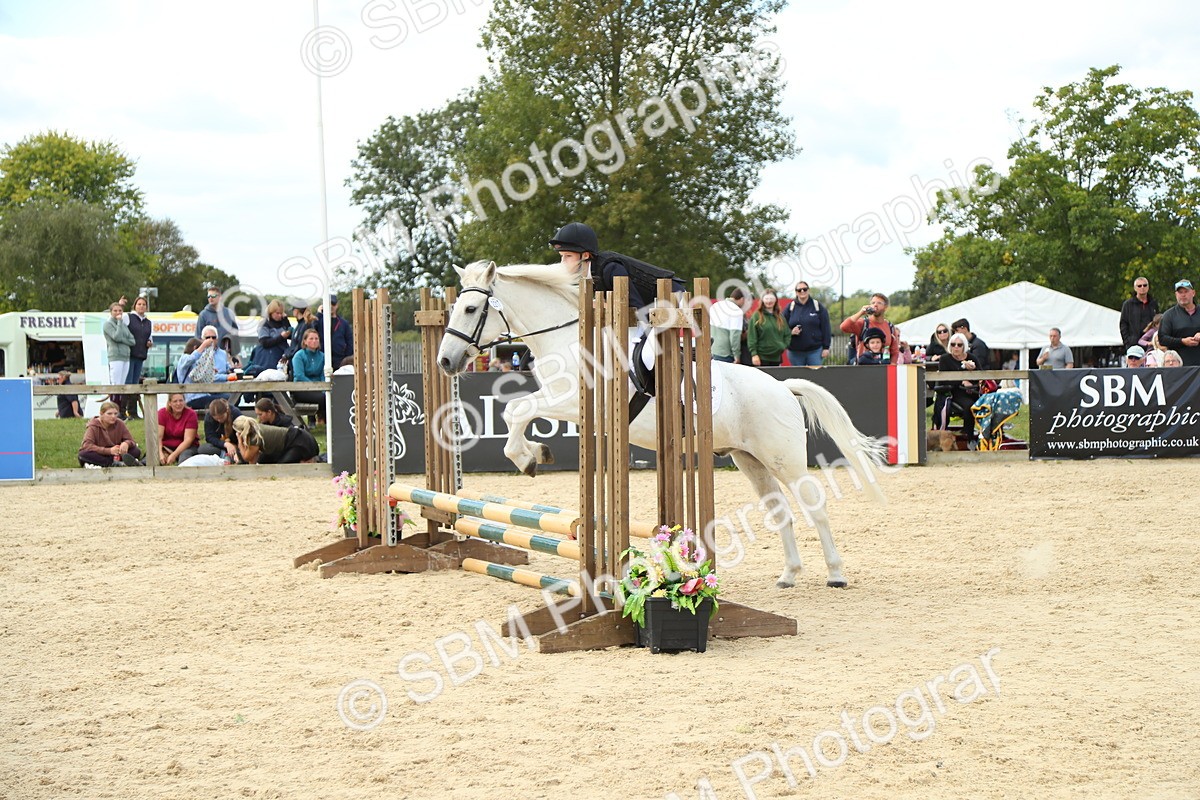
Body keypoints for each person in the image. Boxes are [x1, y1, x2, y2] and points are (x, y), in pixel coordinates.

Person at [932, 332, 979, 444]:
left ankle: (986, 434)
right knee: (969, 405)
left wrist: (973, 371)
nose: (956, 347)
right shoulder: (945, 359)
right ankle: (969, 436)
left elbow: (981, 376)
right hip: (954, 391)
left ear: (964, 346)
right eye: (953, 344)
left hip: (974, 390)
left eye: (959, 345)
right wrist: (962, 381)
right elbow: (945, 379)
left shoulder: (972, 358)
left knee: (985, 403)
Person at [179, 325, 231, 409]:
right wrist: (203, 346)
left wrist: (211, 371)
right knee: (225, 400)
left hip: (205, 394)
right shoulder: (184, 358)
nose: (211, 340)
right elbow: (190, 360)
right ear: (196, 347)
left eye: (213, 337)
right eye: (207, 338)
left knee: (228, 398)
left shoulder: (222, 353)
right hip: (193, 397)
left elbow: (199, 372)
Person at [78, 401, 143, 467]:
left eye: (115, 414)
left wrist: (126, 443)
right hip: (101, 453)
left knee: (135, 451)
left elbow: (131, 441)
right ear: (101, 414)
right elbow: (86, 445)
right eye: (109, 414)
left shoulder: (120, 423)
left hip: (117, 452)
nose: (113, 416)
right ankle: (113, 463)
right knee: (83, 454)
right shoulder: (93, 426)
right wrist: (109, 451)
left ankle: (118, 462)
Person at [232, 416, 320, 464]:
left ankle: (310, 460)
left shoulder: (254, 437)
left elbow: (247, 457)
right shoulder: (257, 429)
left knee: (282, 468)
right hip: (299, 438)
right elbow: (253, 461)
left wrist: (239, 441)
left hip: (301, 442)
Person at [840, 293, 899, 364]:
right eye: (873, 303)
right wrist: (861, 313)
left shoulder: (890, 327)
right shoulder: (863, 323)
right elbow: (843, 327)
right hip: (863, 368)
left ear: (885, 307)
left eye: (879, 303)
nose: (875, 305)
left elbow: (895, 352)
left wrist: (892, 367)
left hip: (883, 369)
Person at [783, 282, 831, 366]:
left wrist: (826, 347)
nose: (802, 291)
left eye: (804, 289)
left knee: (815, 376)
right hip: (795, 352)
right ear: (796, 292)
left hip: (815, 351)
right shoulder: (790, 307)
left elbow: (826, 328)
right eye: (799, 290)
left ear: (808, 290)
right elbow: (781, 326)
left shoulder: (818, 306)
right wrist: (790, 332)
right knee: (798, 377)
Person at [103, 302, 135, 418]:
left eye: (120, 311)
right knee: (115, 384)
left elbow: (132, 340)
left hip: (126, 356)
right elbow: (116, 336)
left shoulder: (124, 325)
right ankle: (113, 411)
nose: (118, 313)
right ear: (111, 312)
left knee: (122, 385)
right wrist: (120, 323)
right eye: (115, 311)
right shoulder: (108, 324)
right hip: (115, 356)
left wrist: (122, 339)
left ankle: (120, 411)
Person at [1157, 279, 1200, 367]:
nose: (1183, 295)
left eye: (1186, 291)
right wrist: (1182, 341)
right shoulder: (1169, 315)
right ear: (1176, 295)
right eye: (1180, 292)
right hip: (1179, 367)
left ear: (1193, 293)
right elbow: (1162, 339)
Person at [125, 295, 153, 419]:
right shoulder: (128, 317)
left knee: (135, 384)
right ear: (135, 306)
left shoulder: (148, 322)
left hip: (141, 355)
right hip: (129, 355)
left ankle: (133, 412)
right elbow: (120, 329)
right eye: (139, 304)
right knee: (128, 382)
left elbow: (150, 336)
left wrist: (149, 342)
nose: (141, 306)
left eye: (143, 304)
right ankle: (122, 411)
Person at [247, 299, 292, 376]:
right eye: (277, 313)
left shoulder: (283, 322)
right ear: (271, 312)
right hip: (268, 359)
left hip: (282, 357)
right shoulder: (264, 324)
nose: (279, 316)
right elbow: (265, 342)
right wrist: (281, 337)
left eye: (281, 313)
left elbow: (291, 335)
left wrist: (286, 320)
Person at [747, 290, 789, 367]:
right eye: (766, 299)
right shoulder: (756, 316)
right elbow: (752, 337)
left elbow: (787, 334)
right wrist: (754, 354)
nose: (769, 301)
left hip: (776, 358)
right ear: (762, 300)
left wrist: (783, 346)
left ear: (775, 300)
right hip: (761, 358)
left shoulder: (780, 317)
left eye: (771, 299)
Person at [291, 328, 326, 418]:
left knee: (329, 395)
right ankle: (315, 419)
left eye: (316, 338)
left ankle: (327, 422)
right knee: (323, 398)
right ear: (305, 341)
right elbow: (299, 375)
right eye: (311, 339)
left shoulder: (322, 356)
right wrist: (314, 386)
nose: (314, 341)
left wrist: (323, 387)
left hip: (319, 388)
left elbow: (323, 374)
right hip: (302, 389)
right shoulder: (299, 356)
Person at [157, 392, 200, 465]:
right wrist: (160, 453)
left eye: (181, 400)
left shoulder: (191, 414)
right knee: (153, 456)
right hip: (167, 446)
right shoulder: (162, 413)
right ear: (169, 403)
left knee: (184, 459)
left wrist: (174, 455)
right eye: (175, 401)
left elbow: (188, 440)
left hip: (186, 447)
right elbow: (158, 437)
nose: (178, 404)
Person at [196, 286, 240, 357]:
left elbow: (235, 334)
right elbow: (198, 337)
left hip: (226, 355)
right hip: (208, 355)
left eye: (213, 296)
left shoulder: (229, 313)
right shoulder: (203, 315)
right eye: (208, 296)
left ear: (220, 297)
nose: (210, 298)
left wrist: (234, 353)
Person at [316, 295, 354, 371]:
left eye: (333, 304)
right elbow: (311, 330)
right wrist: (319, 314)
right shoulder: (319, 321)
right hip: (322, 359)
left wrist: (345, 358)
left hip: (339, 360)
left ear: (337, 305)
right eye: (328, 304)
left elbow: (350, 341)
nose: (331, 306)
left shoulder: (344, 323)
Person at [199, 397, 243, 462]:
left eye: (222, 417)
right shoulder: (209, 417)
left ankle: (235, 456)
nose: (219, 420)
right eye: (216, 419)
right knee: (203, 449)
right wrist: (225, 444)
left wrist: (238, 450)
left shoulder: (235, 414)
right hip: (220, 447)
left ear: (226, 411)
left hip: (237, 445)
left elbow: (242, 434)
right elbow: (210, 437)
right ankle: (225, 456)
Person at [710, 288, 747, 363]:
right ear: (742, 299)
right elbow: (734, 336)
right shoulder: (736, 311)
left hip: (712, 350)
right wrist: (737, 356)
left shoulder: (715, 305)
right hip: (726, 353)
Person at [1120, 277, 1158, 349]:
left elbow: (1157, 321)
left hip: (1150, 343)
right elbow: (1123, 324)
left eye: (1145, 285)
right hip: (1133, 344)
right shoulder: (1128, 304)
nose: (1142, 287)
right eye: (1139, 286)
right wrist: (1127, 341)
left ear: (1148, 287)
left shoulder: (1153, 303)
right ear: (1135, 288)